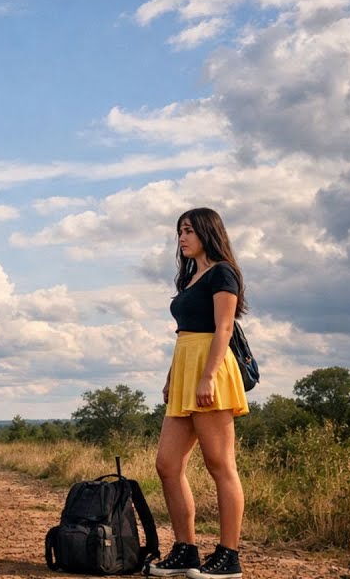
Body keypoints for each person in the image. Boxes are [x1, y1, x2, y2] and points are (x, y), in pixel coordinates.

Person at [148, 207, 249, 579]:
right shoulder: (190, 278)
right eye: (179, 231)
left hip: (211, 370)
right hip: (185, 370)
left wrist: (207, 377)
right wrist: (171, 377)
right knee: (167, 465)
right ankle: (185, 551)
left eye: (188, 230)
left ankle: (228, 557)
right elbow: (184, 335)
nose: (182, 238)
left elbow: (224, 329)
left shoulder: (223, 272)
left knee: (219, 465)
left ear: (208, 232)